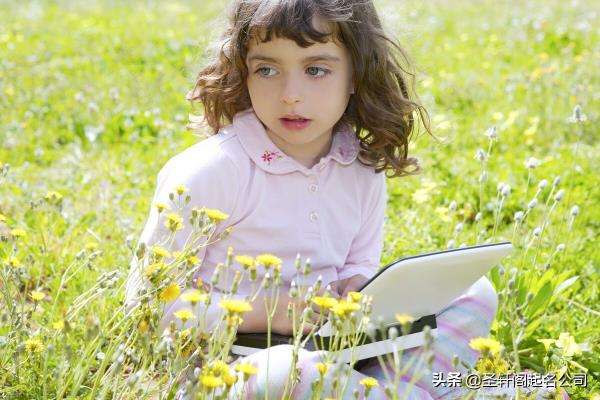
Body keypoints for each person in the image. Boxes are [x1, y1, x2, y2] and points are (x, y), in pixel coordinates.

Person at [125, 1, 503, 399]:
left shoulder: (359, 167)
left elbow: (357, 264)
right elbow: (146, 306)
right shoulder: (212, 171)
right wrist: (275, 310)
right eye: (267, 69)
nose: (291, 95)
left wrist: (360, 288)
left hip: (337, 356)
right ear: (243, 71)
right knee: (288, 371)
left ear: (357, 72)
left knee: (474, 292)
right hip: (229, 369)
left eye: (316, 70)